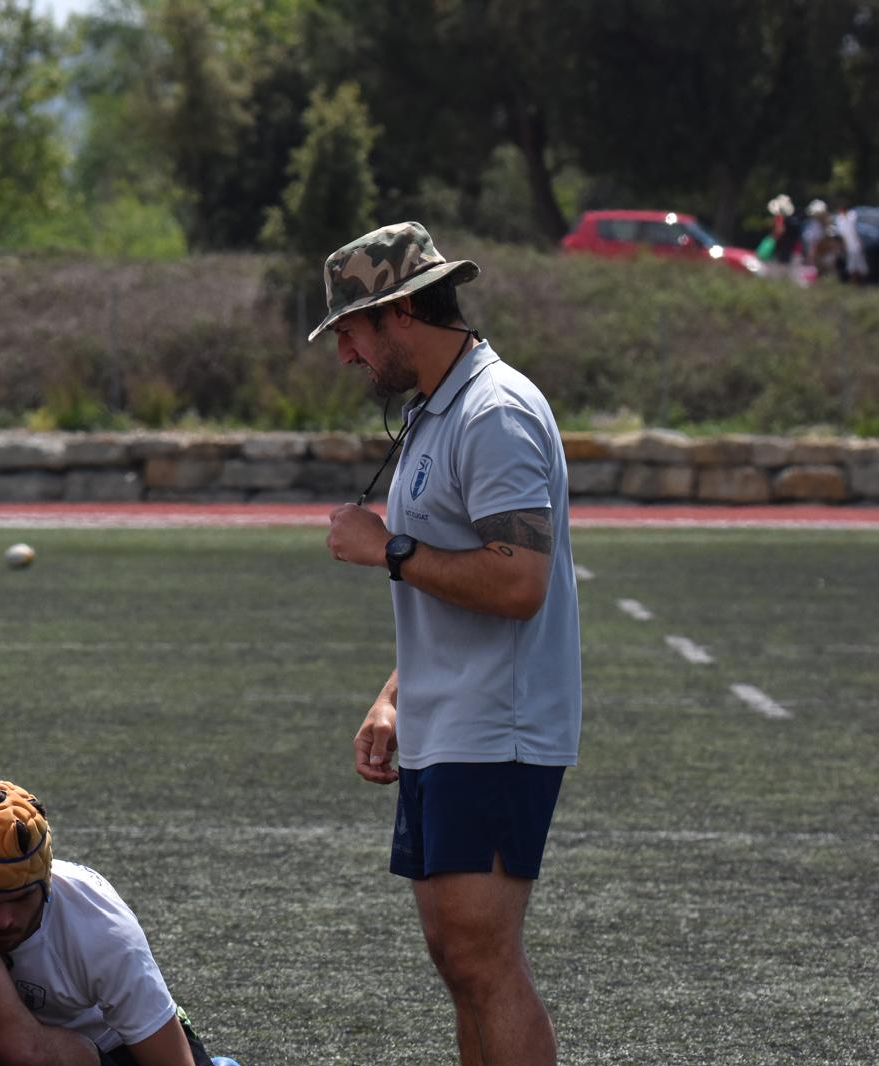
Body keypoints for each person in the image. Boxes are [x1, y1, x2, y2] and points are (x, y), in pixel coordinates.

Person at [317, 222, 581, 1066]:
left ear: (396, 312)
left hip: (495, 730)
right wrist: (396, 694)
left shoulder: (494, 412)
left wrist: (388, 547)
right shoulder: (440, 407)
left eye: (350, 331)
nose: (346, 355)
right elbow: (465, 576)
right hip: (448, 726)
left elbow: (517, 582)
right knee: (460, 963)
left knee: (482, 960)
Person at [0, 780, 239, 1066]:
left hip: (113, 1042)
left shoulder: (101, 928)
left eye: (20, 899)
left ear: (45, 883)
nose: (3, 921)